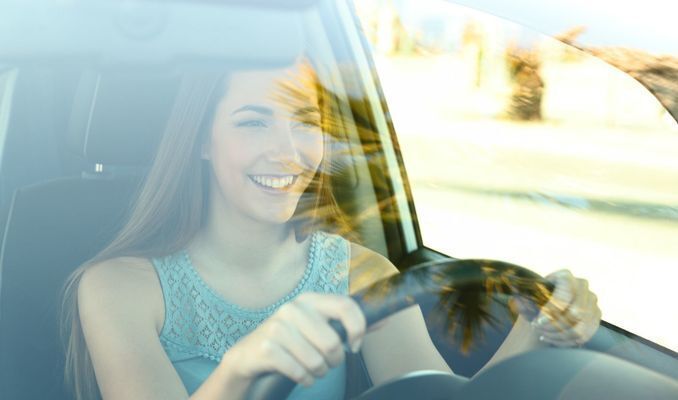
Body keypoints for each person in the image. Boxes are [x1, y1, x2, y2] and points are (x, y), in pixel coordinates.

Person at [60, 59, 601, 400]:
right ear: (202, 142)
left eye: (306, 122)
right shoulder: (117, 287)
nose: (287, 149)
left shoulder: (361, 273)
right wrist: (243, 369)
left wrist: (539, 322)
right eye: (253, 121)